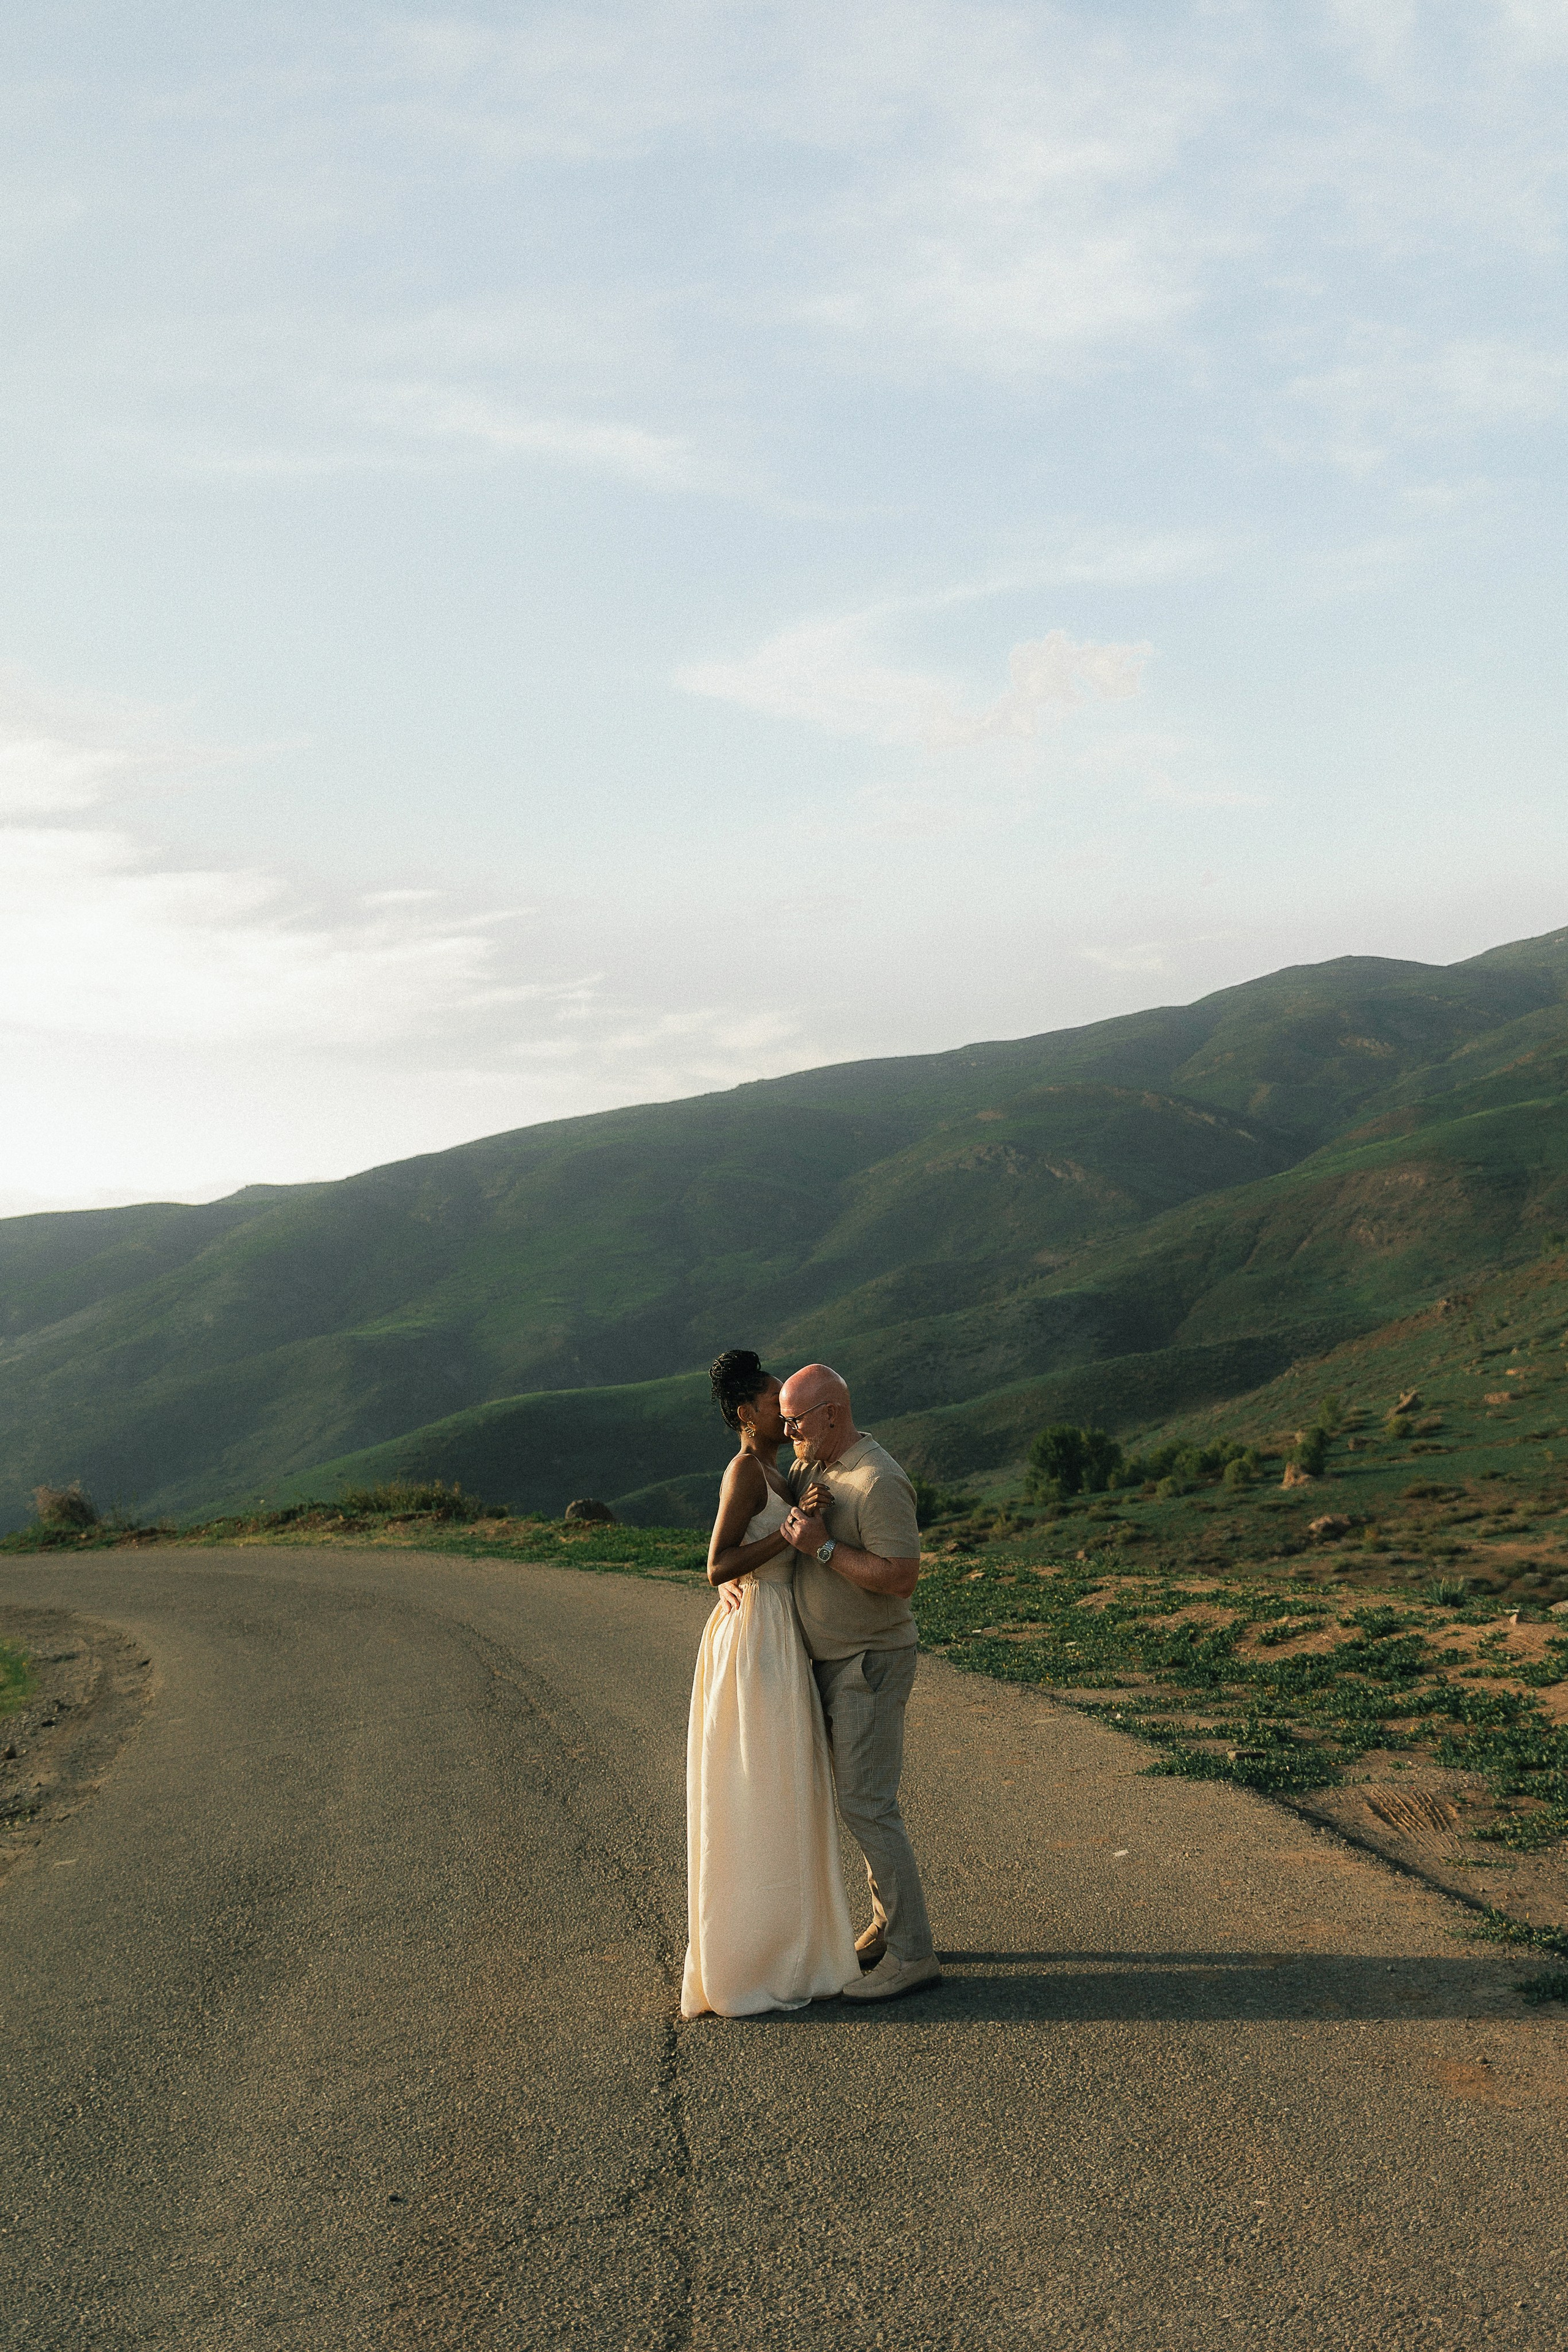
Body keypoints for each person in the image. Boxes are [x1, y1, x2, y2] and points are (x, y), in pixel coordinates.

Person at [680, 1350, 859, 2019]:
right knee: (761, 1787)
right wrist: (789, 1533)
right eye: (770, 1404)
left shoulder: (770, 1468)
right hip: (756, 1641)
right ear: (741, 1414)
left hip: (777, 1632)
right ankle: (756, 1956)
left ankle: (796, 1943)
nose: (783, 1418)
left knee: (786, 1790)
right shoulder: (743, 1474)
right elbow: (716, 1563)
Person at [776, 1362, 940, 2002]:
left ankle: (911, 1955)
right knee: (857, 1803)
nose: (788, 1429)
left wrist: (821, 1550)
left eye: (797, 1419)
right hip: (836, 1661)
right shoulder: (817, 1467)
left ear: (833, 1414)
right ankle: (886, 1924)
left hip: (869, 1662)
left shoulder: (878, 1481)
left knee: (868, 1805)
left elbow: (901, 1576)